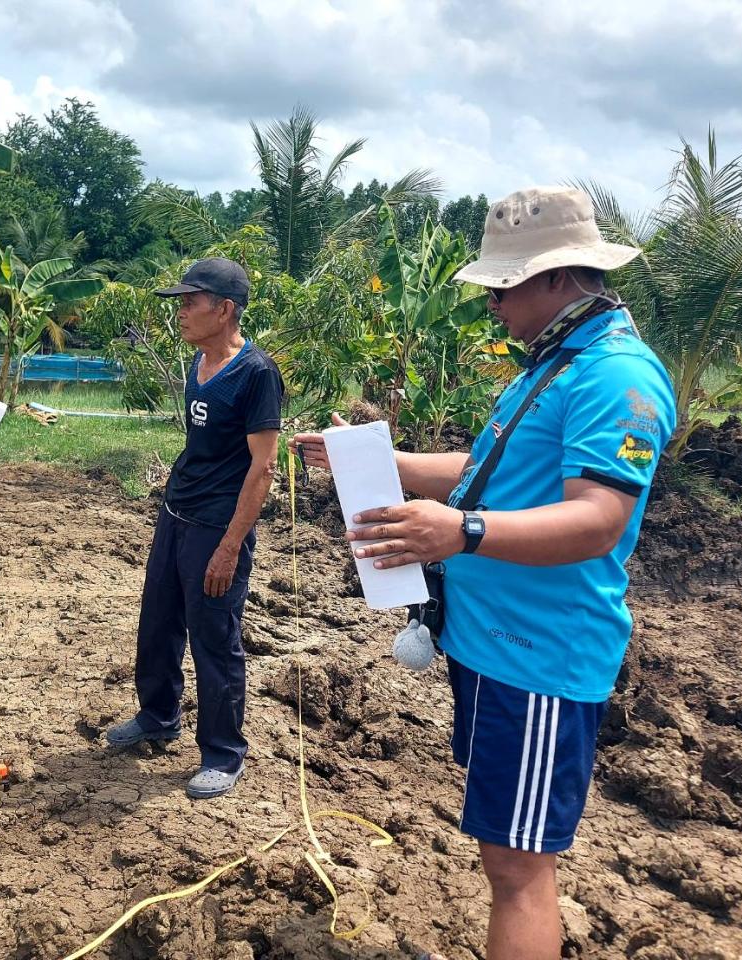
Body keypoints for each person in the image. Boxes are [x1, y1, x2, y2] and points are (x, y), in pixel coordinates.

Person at [294, 187, 676, 959]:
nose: (494, 303)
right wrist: (385, 462)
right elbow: (487, 469)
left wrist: (460, 533)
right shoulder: (557, 363)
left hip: (541, 654)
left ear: (559, 279)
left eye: (504, 286)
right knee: (505, 849)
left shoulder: (616, 377)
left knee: (518, 866)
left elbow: (600, 519)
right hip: (494, 644)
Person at [106, 258, 284, 799]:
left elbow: (263, 468)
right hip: (177, 512)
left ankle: (223, 753)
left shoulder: (256, 374)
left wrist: (231, 546)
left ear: (225, 309)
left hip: (217, 526)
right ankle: (158, 716)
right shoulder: (196, 364)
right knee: (158, 622)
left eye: (191, 301)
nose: (181, 312)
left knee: (214, 636)